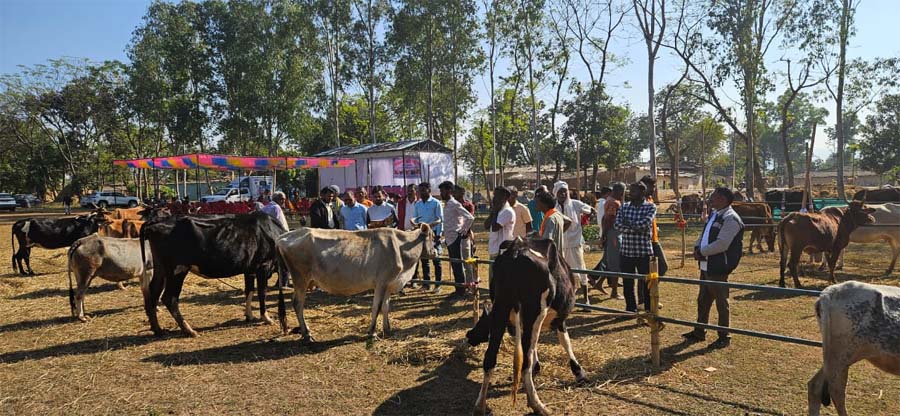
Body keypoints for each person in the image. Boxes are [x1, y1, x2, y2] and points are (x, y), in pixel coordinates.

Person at [683, 187, 744, 349]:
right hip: (706, 264)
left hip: (718, 266)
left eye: (714, 197)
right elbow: (704, 234)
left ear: (723, 200)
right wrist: (697, 247)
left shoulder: (731, 219)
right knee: (703, 299)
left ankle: (724, 336)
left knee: (721, 302)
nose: (711, 199)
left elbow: (722, 244)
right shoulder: (715, 214)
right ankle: (699, 331)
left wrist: (701, 251)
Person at [614, 182, 657, 313]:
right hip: (626, 252)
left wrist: (628, 225)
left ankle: (648, 310)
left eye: (634, 191)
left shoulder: (650, 207)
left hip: (644, 252)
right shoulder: (624, 207)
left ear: (642, 192)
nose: (630, 193)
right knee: (628, 283)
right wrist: (634, 227)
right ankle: (630, 309)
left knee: (646, 284)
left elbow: (645, 224)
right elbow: (617, 225)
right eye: (630, 191)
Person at [554, 181, 599, 302]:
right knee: (565, 270)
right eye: (560, 192)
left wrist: (585, 221)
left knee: (581, 268)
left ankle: (586, 299)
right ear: (556, 193)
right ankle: (568, 298)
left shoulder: (575, 204)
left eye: (565, 191)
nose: (563, 194)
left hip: (575, 243)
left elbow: (592, 211)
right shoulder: (554, 208)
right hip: (561, 244)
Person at [439, 181, 475, 300]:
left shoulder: (454, 203)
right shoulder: (447, 204)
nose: (441, 193)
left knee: (458, 265)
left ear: (449, 191)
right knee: (455, 265)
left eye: (443, 191)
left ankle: (461, 291)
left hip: (455, 238)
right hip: (449, 238)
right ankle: (458, 289)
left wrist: (463, 231)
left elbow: (469, 217)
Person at [411, 182, 443, 292]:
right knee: (424, 260)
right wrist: (415, 225)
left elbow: (440, 220)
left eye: (423, 190)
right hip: (421, 235)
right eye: (420, 191)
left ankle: (438, 285)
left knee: (436, 259)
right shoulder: (418, 204)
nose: (421, 193)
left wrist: (438, 235)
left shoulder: (436, 203)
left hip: (433, 234)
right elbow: (415, 218)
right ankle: (426, 284)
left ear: (429, 191)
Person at [485, 186, 516, 284]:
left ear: (505, 197)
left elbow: (495, 227)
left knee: (499, 279)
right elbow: (486, 225)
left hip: (502, 250)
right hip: (494, 248)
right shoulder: (499, 210)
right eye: (494, 196)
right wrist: (493, 212)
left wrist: (495, 212)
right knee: (493, 278)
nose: (494, 199)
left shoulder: (507, 211)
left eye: (497, 196)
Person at [453, 185, 477, 293]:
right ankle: (461, 286)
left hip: (465, 237)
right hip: (454, 238)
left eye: (456, 192)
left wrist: (463, 232)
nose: (454, 194)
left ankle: (470, 285)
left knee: (467, 262)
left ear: (462, 193)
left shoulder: (468, 205)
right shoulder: (453, 205)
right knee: (457, 262)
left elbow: (469, 219)